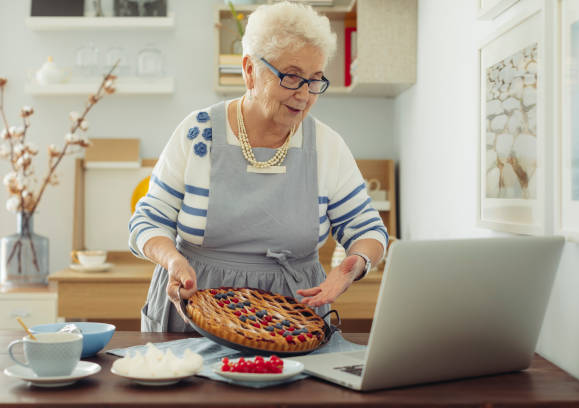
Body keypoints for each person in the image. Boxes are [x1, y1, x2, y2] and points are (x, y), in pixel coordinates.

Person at [128, 1, 388, 332]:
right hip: (195, 314)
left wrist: (352, 267)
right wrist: (173, 260)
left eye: (315, 80)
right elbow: (147, 220)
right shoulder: (198, 136)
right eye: (292, 77)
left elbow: (367, 229)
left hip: (293, 322)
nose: (304, 94)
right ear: (250, 69)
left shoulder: (326, 146)